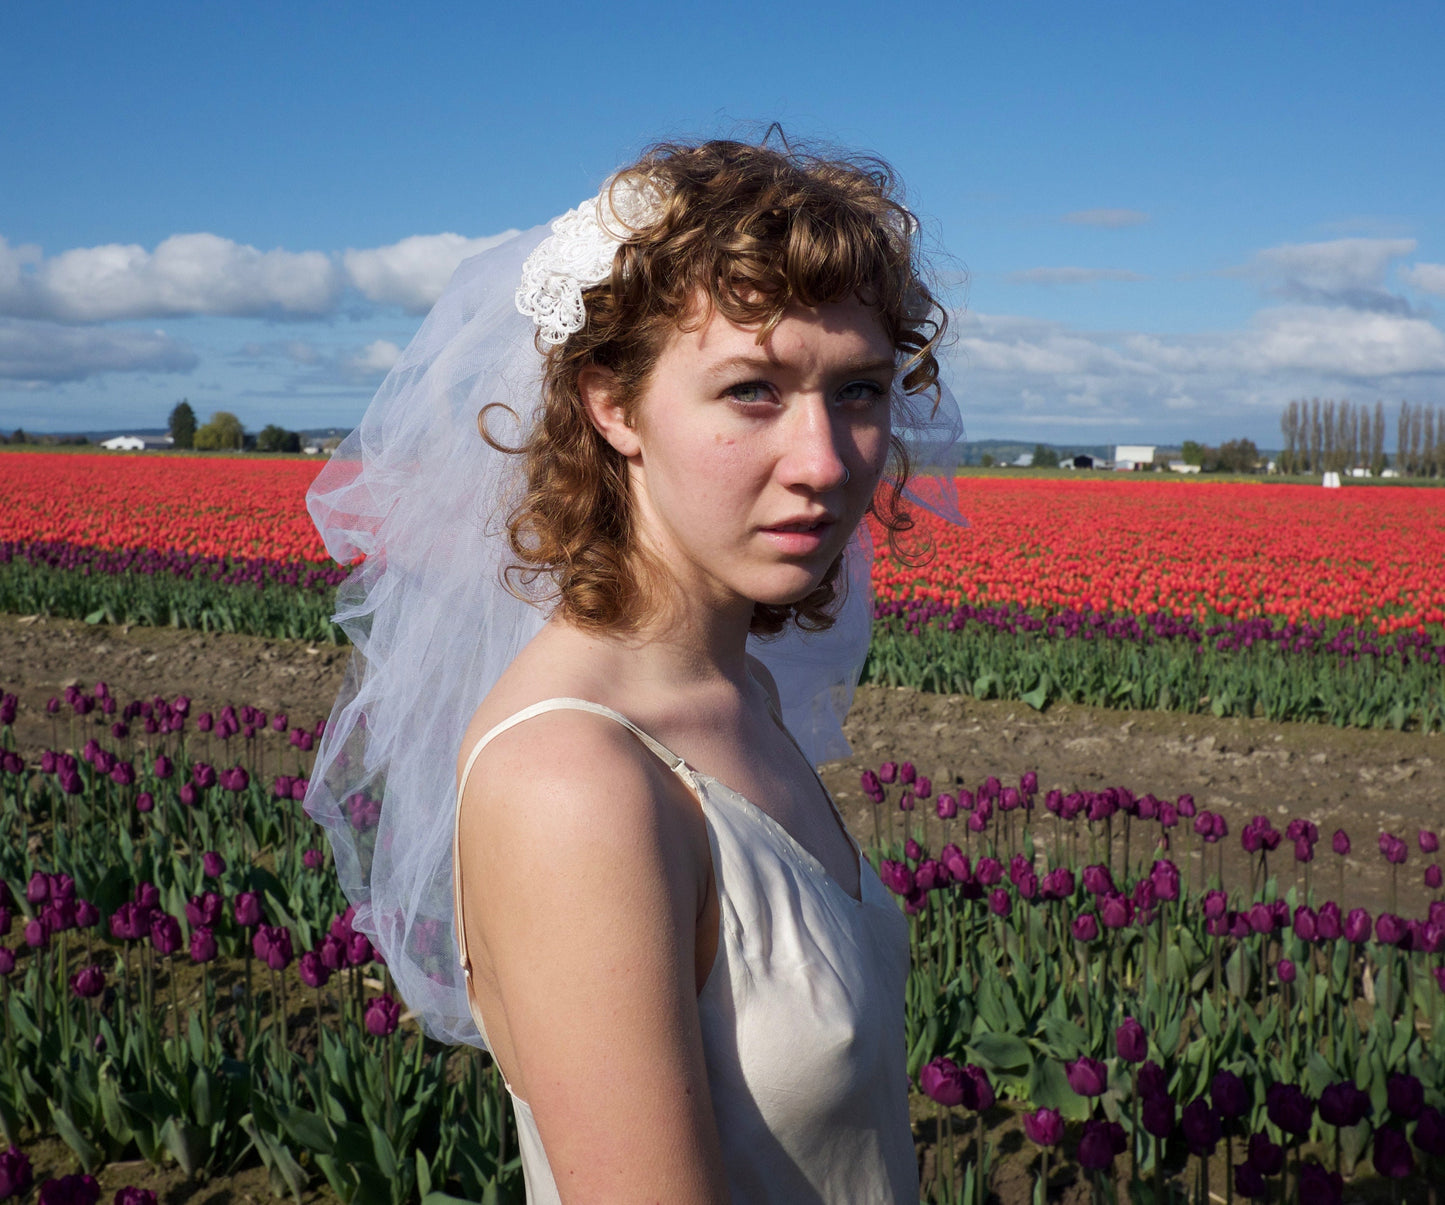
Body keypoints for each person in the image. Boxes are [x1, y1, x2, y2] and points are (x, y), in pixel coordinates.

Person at [305, 135, 962, 1204]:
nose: (826, 460)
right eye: (751, 389)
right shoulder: (577, 781)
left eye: (858, 390)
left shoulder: (734, 693)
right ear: (612, 406)